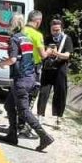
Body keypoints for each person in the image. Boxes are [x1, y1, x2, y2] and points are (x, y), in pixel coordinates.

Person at [0, 13, 54, 151]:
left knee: (23, 111)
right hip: (30, 77)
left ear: (12, 25)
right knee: (9, 105)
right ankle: (12, 135)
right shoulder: (26, 38)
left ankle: (44, 136)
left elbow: (12, 60)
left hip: (21, 80)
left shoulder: (15, 39)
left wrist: (2, 63)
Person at [37, 18, 74, 126]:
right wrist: (47, 53)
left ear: (62, 29)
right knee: (44, 92)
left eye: (57, 30)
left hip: (60, 69)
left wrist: (56, 53)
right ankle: (40, 115)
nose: (55, 32)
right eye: (53, 30)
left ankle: (58, 117)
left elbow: (67, 55)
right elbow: (42, 53)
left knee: (60, 92)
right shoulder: (47, 38)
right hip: (48, 68)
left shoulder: (67, 39)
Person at [18, 10, 47, 138]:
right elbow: (43, 55)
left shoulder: (21, 31)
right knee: (30, 99)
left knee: (20, 98)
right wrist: (50, 50)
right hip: (34, 69)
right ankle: (26, 128)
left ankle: (18, 125)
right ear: (38, 21)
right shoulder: (37, 35)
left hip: (20, 67)